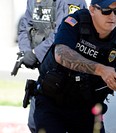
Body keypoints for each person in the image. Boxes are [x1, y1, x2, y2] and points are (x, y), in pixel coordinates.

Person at [34, 0, 116, 132]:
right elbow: (61, 54)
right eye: (106, 11)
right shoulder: (75, 22)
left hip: (87, 110)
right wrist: (101, 70)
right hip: (52, 103)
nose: (112, 16)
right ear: (92, 10)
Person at [17, 0, 87, 132]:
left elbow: (64, 33)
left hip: (70, 77)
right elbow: (24, 26)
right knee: (35, 123)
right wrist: (26, 52)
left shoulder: (72, 1)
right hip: (46, 74)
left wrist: (36, 53)